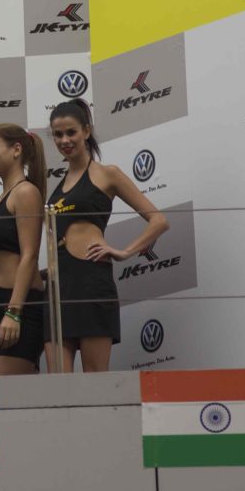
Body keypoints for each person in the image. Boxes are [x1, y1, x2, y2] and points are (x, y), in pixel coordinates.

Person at [43, 100, 169, 373]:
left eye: (71, 132)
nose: (64, 140)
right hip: (58, 287)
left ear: (86, 131)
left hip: (92, 282)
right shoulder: (58, 185)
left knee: (95, 381)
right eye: (58, 134)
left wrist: (124, 252)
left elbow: (159, 220)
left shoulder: (107, 174)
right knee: (57, 383)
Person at [0, 123, 47, 375]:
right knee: (19, 394)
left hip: (20, 309)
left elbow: (30, 255)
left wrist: (14, 313)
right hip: (1, 309)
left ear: (16, 150)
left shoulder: (25, 192)